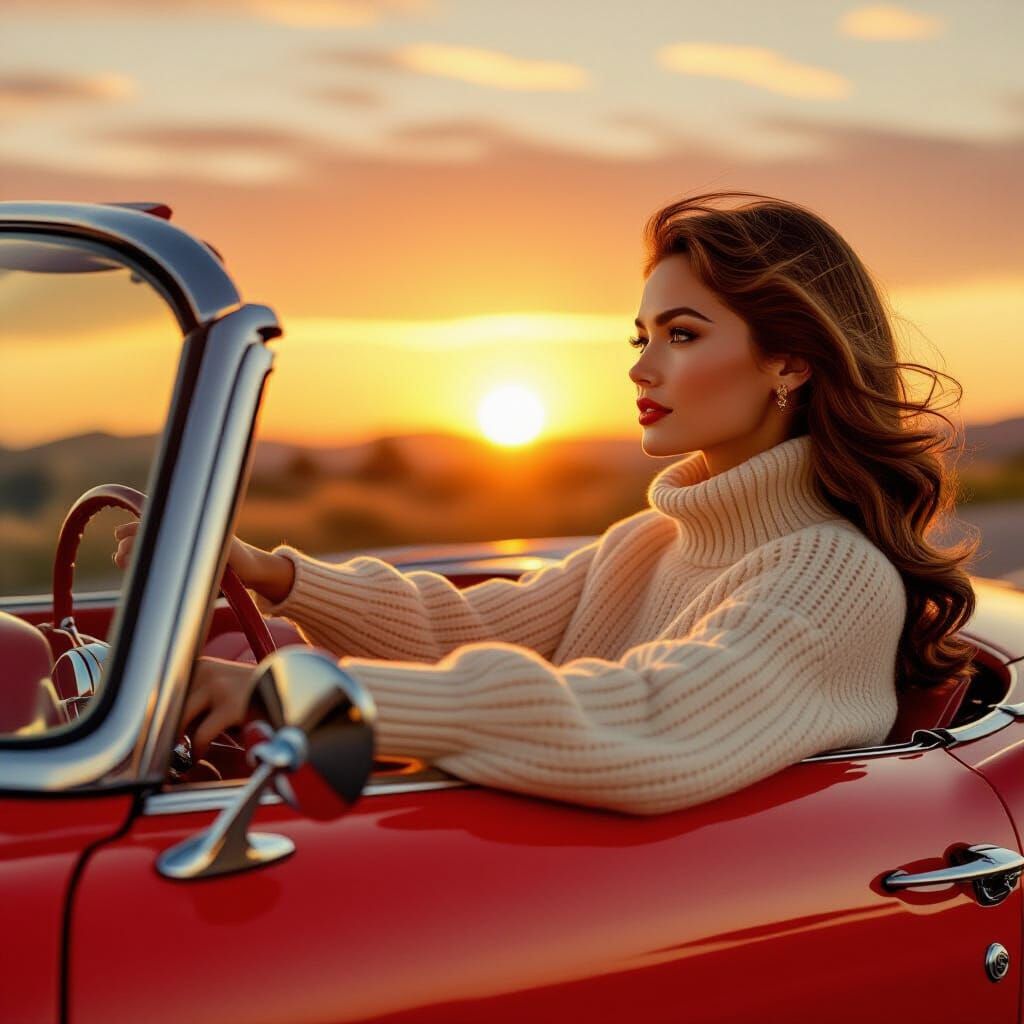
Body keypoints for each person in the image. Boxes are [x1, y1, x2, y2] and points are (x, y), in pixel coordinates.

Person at [113, 190, 979, 816]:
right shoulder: (648, 541)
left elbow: (650, 717)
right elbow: (468, 632)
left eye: (683, 335)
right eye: (641, 338)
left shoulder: (833, 576)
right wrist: (271, 572)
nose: (641, 368)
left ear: (791, 362)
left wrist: (297, 694)